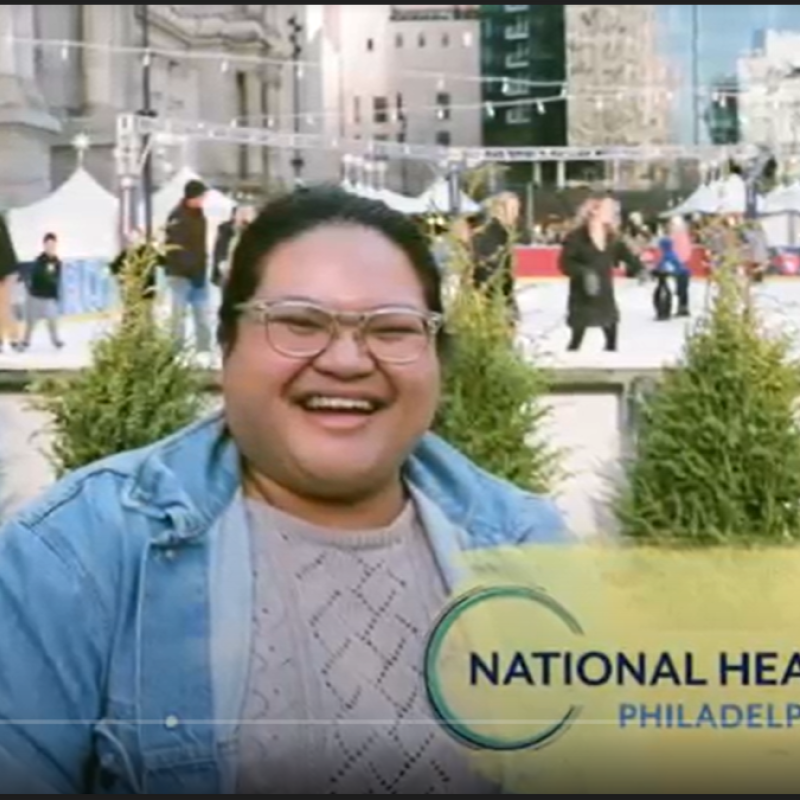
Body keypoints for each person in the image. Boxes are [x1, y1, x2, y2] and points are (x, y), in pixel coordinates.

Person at [0, 186, 568, 794]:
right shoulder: (76, 556)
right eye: (298, 323)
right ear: (225, 347)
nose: (348, 361)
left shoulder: (531, 551)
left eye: (393, 330)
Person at [559, 194, 641, 352]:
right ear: (594, 210)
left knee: (611, 340)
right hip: (582, 297)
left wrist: (641, 268)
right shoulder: (576, 237)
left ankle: (611, 367)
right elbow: (565, 264)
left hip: (605, 296)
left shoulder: (613, 237)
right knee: (576, 341)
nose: (613, 212)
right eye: (608, 209)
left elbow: (628, 258)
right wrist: (584, 272)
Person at [163, 179, 212, 351]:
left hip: (199, 274)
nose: (203, 200)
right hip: (180, 275)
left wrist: (202, 269)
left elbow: (200, 246)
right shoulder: (177, 217)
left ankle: (204, 350)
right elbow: (176, 248)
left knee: (203, 315)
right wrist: (190, 270)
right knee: (178, 316)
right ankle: (176, 351)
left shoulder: (200, 216)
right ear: (192, 197)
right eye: (201, 196)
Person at [471, 192, 520, 320]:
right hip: (493, 302)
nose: (516, 214)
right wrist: (504, 304)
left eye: (517, 209)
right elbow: (489, 270)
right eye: (513, 209)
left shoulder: (502, 233)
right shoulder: (492, 235)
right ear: (499, 209)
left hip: (496, 300)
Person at [19, 232, 63, 350]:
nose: (51, 247)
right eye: (48, 244)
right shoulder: (39, 261)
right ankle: (25, 342)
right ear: (44, 245)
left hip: (48, 298)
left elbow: (56, 280)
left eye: (53, 244)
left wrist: (56, 295)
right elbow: (37, 277)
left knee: (52, 320)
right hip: (35, 297)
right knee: (31, 322)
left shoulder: (57, 262)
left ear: (55, 245)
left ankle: (56, 341)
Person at [109, 227, 158, 312]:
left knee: (139, 312)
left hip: (138, 291)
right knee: (140, 312)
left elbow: (114, 268)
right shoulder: (129, 253)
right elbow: (114, 267)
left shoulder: (147, 251)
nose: (135, 240)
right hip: (136, 292)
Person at [0, 212, 21, 353]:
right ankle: (9, 339)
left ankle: (14, 339)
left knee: (3, 305)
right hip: (7, 268)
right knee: (2, 305)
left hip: (6, 270)